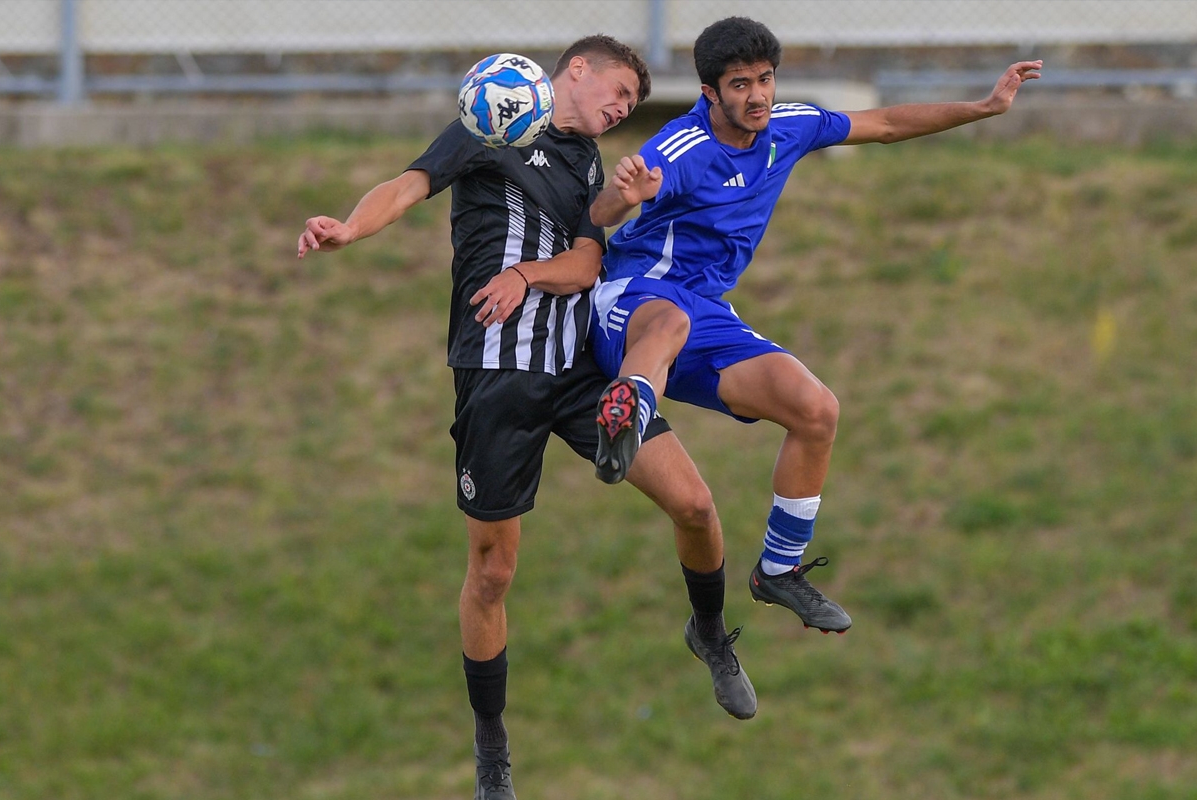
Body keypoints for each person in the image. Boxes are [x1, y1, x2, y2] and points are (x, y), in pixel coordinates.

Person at [297, 37, 755, 800]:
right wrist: (348, 227)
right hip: (496, 376)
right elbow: (408, 186)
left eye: (632, 104)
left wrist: (525, 274)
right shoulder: (491, 122)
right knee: (492, 571)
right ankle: (492, 751)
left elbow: (586, 265)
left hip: (578, 373)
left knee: (697, 504)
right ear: (576, 70)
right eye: (618, 92)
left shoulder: (588, 166)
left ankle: (708, 633)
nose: (622, 109)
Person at [589, 17, 1042, 636]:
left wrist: (984, 107)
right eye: (740, 84)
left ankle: (779, 569)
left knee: (816, 408)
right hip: (633, 296)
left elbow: (885, 124)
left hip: (705, 312)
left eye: (765, 79)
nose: (758, 96)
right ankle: (627, 412)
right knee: (669, 318)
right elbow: (604, 210)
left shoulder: (790, 126)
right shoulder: (683, 146)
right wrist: (627, 196)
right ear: (709, 92)